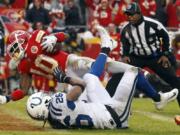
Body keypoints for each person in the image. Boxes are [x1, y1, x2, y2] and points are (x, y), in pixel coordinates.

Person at [26, 27, 178, 129]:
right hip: (114, 114)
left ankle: (106, 48)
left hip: (102, 108)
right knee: (132, 70)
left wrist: (55, 36)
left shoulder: (55, 123)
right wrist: (65, 79)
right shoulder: (57, 102)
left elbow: (78, 100)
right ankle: (157, 96)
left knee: (91, 77)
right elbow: (80, 86)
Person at [120, 2, 180, 106]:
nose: (129, 17)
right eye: (128, 15)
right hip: (137, 57)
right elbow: (125, 44)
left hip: (155, 57)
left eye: (132, 14)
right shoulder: (126, 29)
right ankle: (120, 107)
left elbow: (165, 37)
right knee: (124, 78)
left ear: (139, 13)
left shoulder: (152, 24)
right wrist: (124, 56)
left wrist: (165, 54)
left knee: (175, 81)